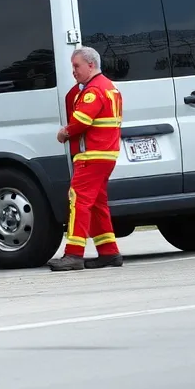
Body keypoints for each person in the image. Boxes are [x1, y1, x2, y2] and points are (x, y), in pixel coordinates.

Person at [50, 46, 124, 271]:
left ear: (91, 65)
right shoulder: (110, 87)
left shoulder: (93, 90)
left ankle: (73, 254)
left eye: (77, 66)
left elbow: (82, 120)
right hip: (106, 155)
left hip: (92, 155)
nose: (73, 71)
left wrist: (65, 132)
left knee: (78, 201)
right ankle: (109, 252)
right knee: (98, 204)